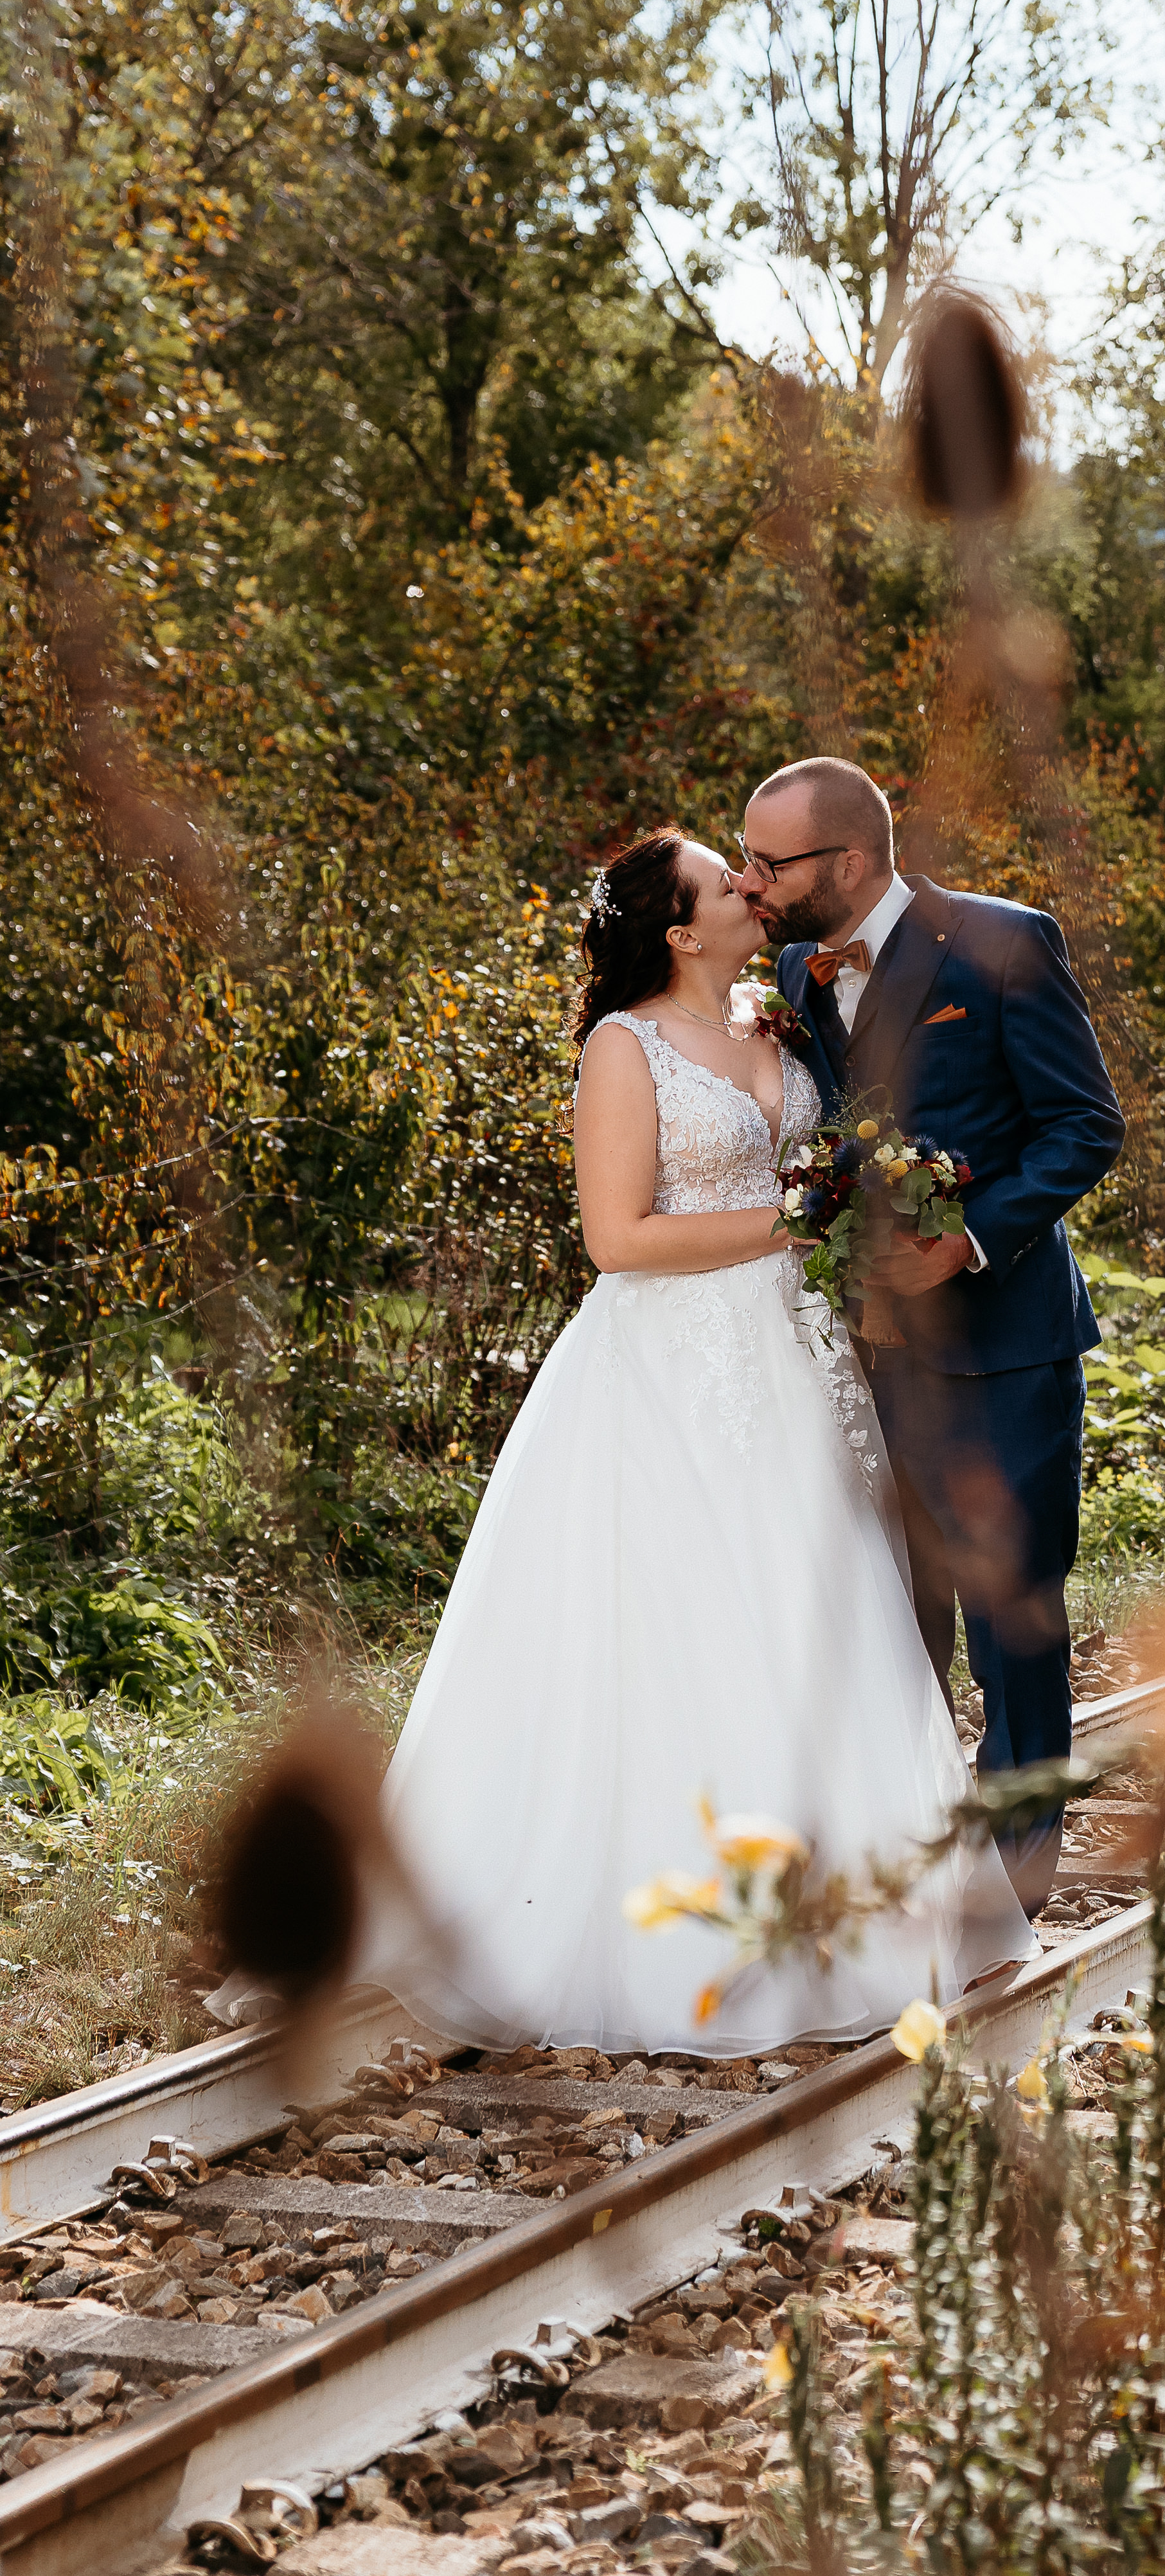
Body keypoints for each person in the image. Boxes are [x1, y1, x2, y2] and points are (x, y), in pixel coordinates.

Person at [368, 826, 1033, 2056]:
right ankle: (685, 1938)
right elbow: (616, 1241)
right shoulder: (624, 1050)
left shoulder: (774, 1021)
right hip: (676, 1373)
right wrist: (795, 1220)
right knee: (691, 1621)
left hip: (803, 1364)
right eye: (726, 879)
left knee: (825, 1609)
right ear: (679, 930)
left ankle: (860, 1917)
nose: (749, 884)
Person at [739, 758, 1125, 1918]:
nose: (753, 882)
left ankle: (1018, 1875)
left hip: (1000, 1347)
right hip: (854, 1361)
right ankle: (905, 1844)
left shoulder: (1001, 943)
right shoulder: (791, 972)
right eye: (746, 861)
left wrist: (967, 1244)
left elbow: (1083, 1128)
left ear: (848, 862)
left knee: (1013, 1613)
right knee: (892, 1614)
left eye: (772, 861)